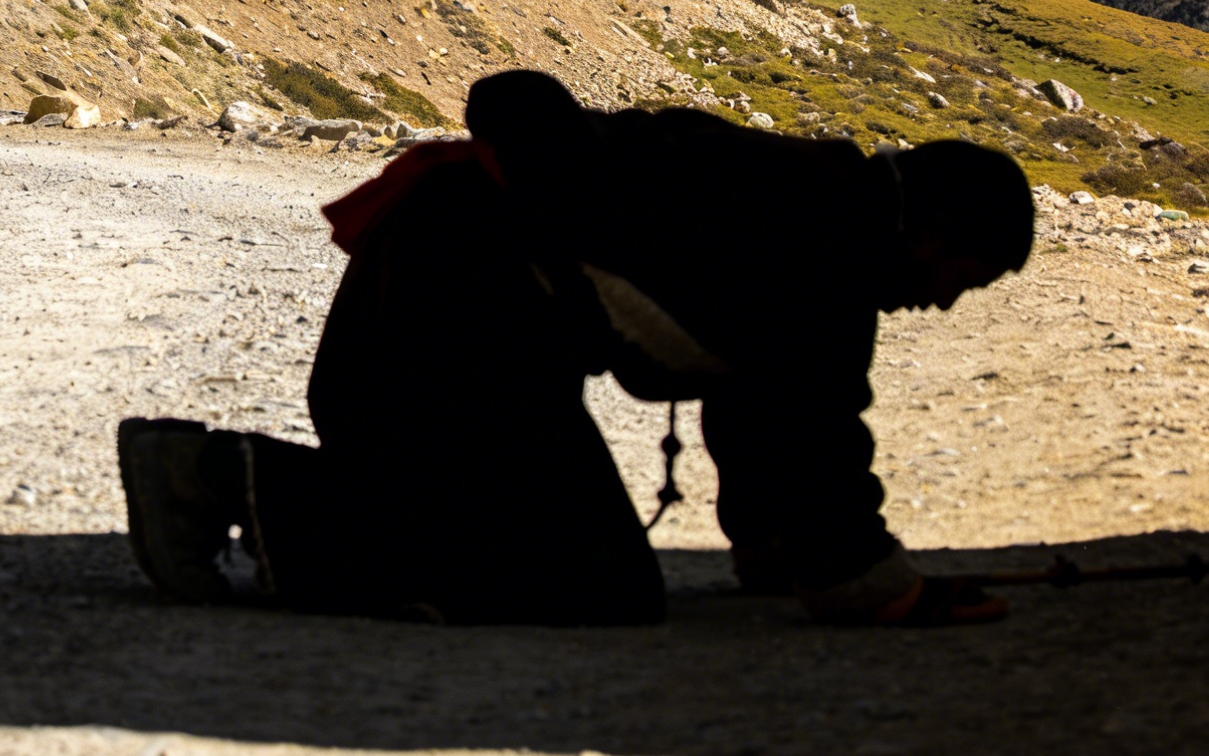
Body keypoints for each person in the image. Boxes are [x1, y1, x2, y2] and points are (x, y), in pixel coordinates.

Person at [118, 70, 1033, 627]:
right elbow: (814, 428)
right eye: (965, 275)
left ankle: (220, 480)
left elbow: (758, 400)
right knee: (584, 581)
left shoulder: (816, 199)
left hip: (436, 288)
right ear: (934, 228)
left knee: (539, 547)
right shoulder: (829, 243)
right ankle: (215, 476)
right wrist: (873, 586)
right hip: (459, 304)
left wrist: (771, 548)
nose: (947, 301)